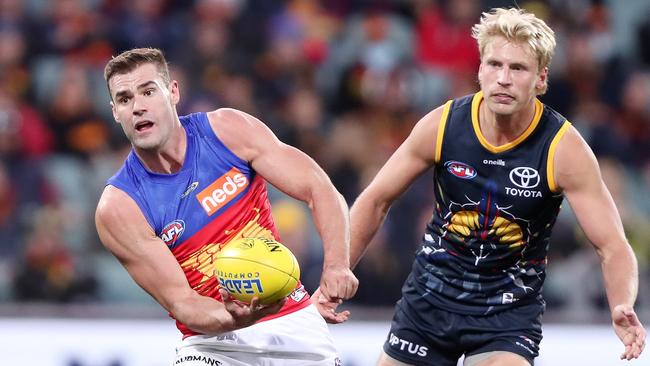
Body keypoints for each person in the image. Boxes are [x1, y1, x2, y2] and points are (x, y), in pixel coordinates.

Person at [346, 8, 646, 366]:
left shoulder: (564, 149)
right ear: (480, 70)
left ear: (541, 79)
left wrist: (621, 304)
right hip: (429, 303)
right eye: (494, 64)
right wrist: (338, 269)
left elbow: (612, 245)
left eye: (518, 68)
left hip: (506, 316)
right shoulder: (442, 126)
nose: (503, 78)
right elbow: (376, 200)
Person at [94, 47, 358, 365]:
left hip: (292, 323)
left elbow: (320, 190)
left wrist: (336, 266)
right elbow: (183, 302)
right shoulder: (119, 207)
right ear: (115, 112)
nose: (138, 107)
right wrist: (237, 318)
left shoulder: (229, 131)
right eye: (124, 99)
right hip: (212, 343)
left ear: (173, 92)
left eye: (148, 91)